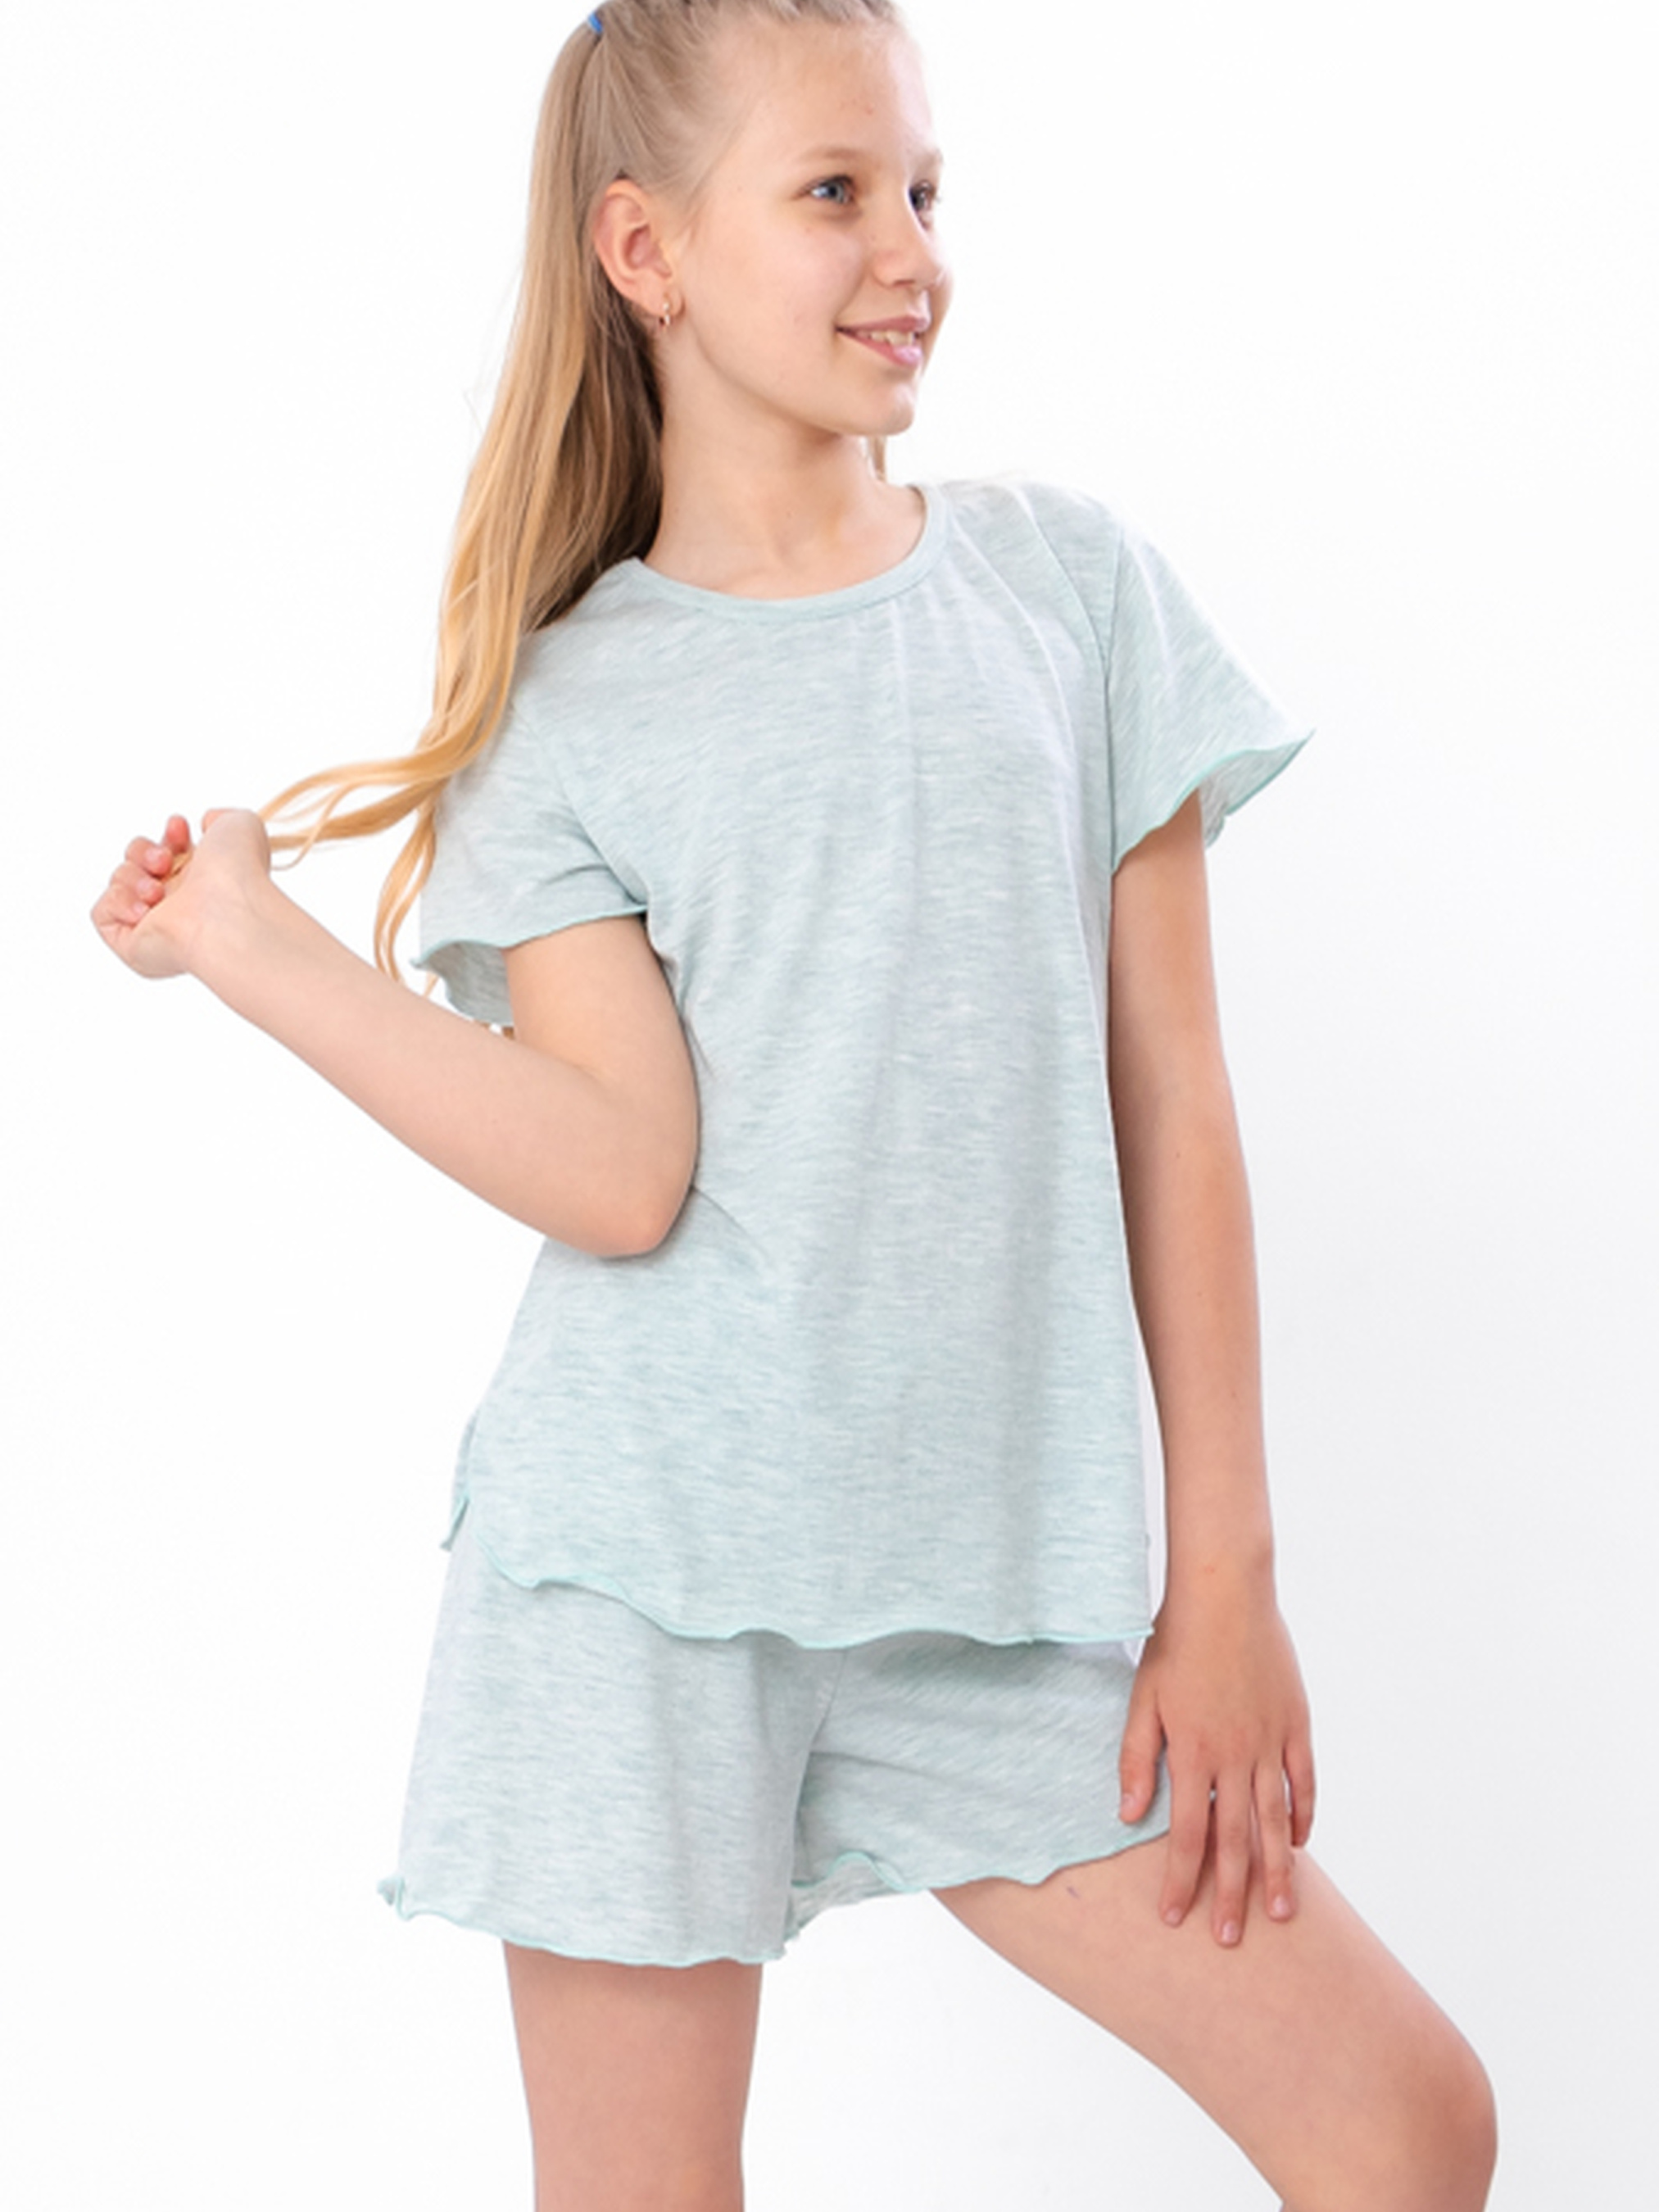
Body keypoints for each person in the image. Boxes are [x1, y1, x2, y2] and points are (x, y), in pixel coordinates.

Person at [91, 3, 1495, 2205]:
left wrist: (1222, 1581)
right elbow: (619, 1173)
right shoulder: (571, 708)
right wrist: (258, 950)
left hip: (1004, 1601)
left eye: (921, 187)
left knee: (1404, 2123)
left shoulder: (1069, 591)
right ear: (643, 250)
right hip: (638, 1593)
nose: (908, 249)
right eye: (834, 191)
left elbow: (1178, 1106)